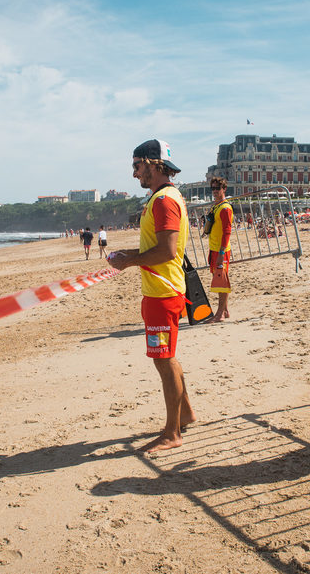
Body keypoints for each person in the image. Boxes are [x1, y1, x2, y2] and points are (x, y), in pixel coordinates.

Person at [107, 139, 196, 452]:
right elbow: (157, 247)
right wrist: (128, 255)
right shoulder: (162, 197)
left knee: (164, 359)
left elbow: (167, 251)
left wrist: (129, 260)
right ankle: (185, 415)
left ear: (155, 164)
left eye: (137, 166)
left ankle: (172, 433)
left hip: (164, 293)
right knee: (167, 357)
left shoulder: (164, 200)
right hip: (161, 291)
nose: (134, 174)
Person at [205, 177, 233, 322]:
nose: (215, 191)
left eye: (218, 188)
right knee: (218, 279)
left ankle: (219, 314)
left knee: (221, 282)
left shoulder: (225, 208)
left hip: (221, 250)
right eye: (213, 188)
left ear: (224, 189)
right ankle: (226, 311)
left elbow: (227, 231)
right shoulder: (216, 206)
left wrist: (222, 252)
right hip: (214, 248)